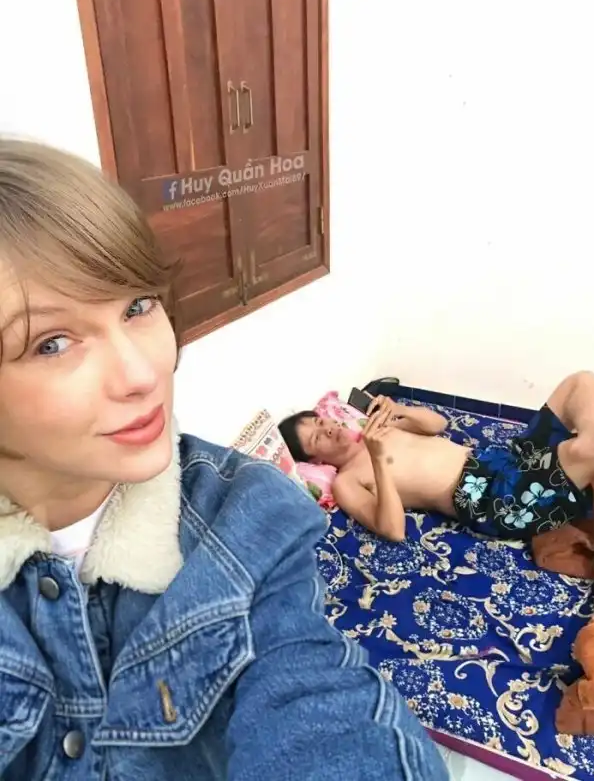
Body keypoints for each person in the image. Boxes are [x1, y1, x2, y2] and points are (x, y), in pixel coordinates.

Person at [0, 138, 449, 780]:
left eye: (137, 306)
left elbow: (318, 704)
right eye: (52, 343)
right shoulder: (342, 480)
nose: (143, 372)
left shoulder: (251, 520)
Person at [279, 375, 594, 542]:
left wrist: (401, 411)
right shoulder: (347, 481)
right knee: (586, 449)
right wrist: (378, 461)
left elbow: (438, 425)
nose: (328, 429)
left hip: (501, 461)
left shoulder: (376, 430)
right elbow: (393, 530)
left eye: (320, 421)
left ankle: (583, 457)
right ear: (315, 461)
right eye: (317, 438)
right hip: (494, 500)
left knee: (580, 383)